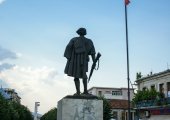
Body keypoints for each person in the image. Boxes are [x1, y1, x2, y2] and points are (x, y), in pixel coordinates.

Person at [64, 28, 96, 95]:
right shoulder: (89, 41)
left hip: (75, 60)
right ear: (84, 32)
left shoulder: (74, 39)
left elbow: (68, 47)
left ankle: (78, 92)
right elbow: (93, 52)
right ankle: (85, 91)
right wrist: (94, 61)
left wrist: (69, 57)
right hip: (84, 59)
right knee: (84, 74)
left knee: (76, 76)